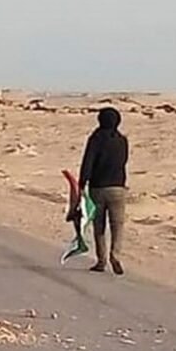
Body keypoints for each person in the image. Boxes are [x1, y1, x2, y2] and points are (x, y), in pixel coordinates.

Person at [78, 107, 129, 275]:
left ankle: (101, 260)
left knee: (99, 225)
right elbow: (123, 161)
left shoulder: (96, 139)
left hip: (97, 188)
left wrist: (81, 184)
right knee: (117, 225)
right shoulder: (122, 140)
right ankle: (116, 255)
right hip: (118, 188)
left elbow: (88, 162)